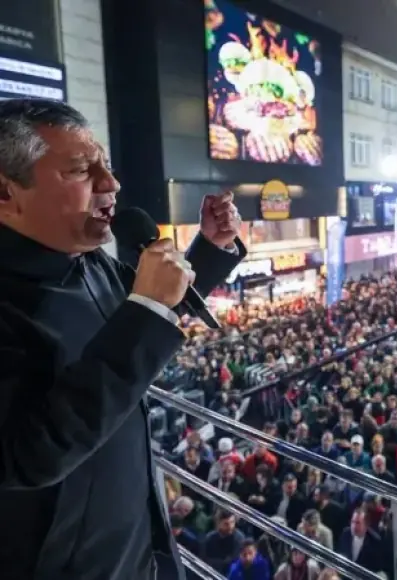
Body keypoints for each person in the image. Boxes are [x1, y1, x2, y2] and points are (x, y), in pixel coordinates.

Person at [0, 98, 244, 579]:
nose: (110, 184)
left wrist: (208, 251)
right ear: (6, 193)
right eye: (79, 171)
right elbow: (29, 454)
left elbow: (147, 308)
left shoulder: (88, 262)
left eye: (105, 166)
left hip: (135, 546)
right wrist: (147, 309)